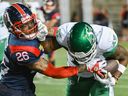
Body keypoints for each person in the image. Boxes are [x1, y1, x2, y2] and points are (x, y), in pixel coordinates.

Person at [0, 3, 102, 96]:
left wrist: (48, 30)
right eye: (23, 26)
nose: (31, 27)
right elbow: (53, 72)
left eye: (31, 22)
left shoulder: (26, 34)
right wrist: (85, 67)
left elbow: (53, 41)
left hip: (22, 87)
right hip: (13, 90)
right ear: (12, 29)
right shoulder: (21, 50)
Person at [39, 22, 128, 96]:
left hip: (101, 74)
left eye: (85, 56)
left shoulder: (105, 40)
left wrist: (115, 78)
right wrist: (41, 35)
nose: (83, 60)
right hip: (77, 73)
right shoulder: (64, 35)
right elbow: (47, 48)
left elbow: (125, 57)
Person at [41, 0, 61, 65]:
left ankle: (52, 68)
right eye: (47, 5)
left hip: (51, 35)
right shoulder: (40, 10)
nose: (48, 7)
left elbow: (49, 25)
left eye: (50, 5)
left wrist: (41, 23)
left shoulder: (56, 13)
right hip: (42, 34)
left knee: (50, 53)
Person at [0, 1, 10, 79]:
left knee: (1, 59)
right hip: (3, 35)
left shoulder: (5, 5)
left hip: (2, 36)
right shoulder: (6, 5)